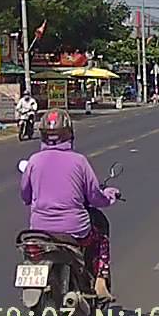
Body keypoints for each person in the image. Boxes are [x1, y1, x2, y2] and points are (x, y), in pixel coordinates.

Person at [19, 109, 120, 300]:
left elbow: (25, 196)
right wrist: (109, 196)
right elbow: (94, 197)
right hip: (75, 230)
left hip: (39, 230)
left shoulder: (33, 161)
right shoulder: (79, 162)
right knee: (101, 236)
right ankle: (100, 282)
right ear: (69, 133)